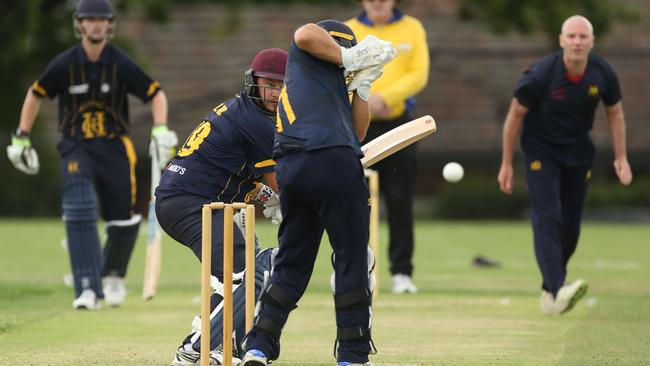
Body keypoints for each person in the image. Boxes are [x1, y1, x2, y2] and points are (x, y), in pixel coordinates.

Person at [240, 20, 396, 366]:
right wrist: (350, 56)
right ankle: (353, 355)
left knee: (292, 262)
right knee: (352, 259)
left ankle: (259, 346)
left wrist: (364, 88)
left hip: (293, 170)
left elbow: (357, 131)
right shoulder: (304, 55)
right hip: (336, 164)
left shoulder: (326, 83)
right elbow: (304, 33)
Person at [5, 0, 178, 310]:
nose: (96, 24)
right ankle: (86, 287)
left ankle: (112, 275)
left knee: (122, 222)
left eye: (101, 19)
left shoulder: (120, 63)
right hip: (76, 146)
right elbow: (36, 93)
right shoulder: (65, 64)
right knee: (79, 208)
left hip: (114, 147)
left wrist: (160, 128)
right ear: (80, 24)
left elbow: (155, 93)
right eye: (90, 19)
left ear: (108, 24)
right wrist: (21, 137)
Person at [154, 48, 288, 365]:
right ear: (253, 83)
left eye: (282, 86)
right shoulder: (257, 122)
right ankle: (197, 347)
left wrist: (262, 193)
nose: (275, 92)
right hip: (190, 203)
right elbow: (282, 180)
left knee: (240, 270)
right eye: (269, 84)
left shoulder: (241, 110)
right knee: (250, 273)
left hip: (187, 198)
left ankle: (224, 344)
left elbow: (223, 168)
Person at [497, 15, 633, 315]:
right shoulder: (541, 74)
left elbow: (615, 112)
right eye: (571, 36)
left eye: (583, 37)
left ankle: (549, 291)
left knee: (570, 225)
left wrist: (621, 157)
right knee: (548, 216)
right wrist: (506, 164)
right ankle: (558, 289)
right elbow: (514, 117)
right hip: (540, 151)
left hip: (578, 152)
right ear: (561, 40)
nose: (577, 42)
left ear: (592, 42)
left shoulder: (602, 72)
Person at [346, 0, 430, 294]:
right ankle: (357, 269)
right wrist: (365, 101)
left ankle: (402, 273)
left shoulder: (412, 28)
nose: (378, 1)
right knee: (355, 200)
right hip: (356, 127)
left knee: (399, 199)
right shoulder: (349, 29)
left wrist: (387, 98)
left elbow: (418, 74)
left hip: (397, 124)